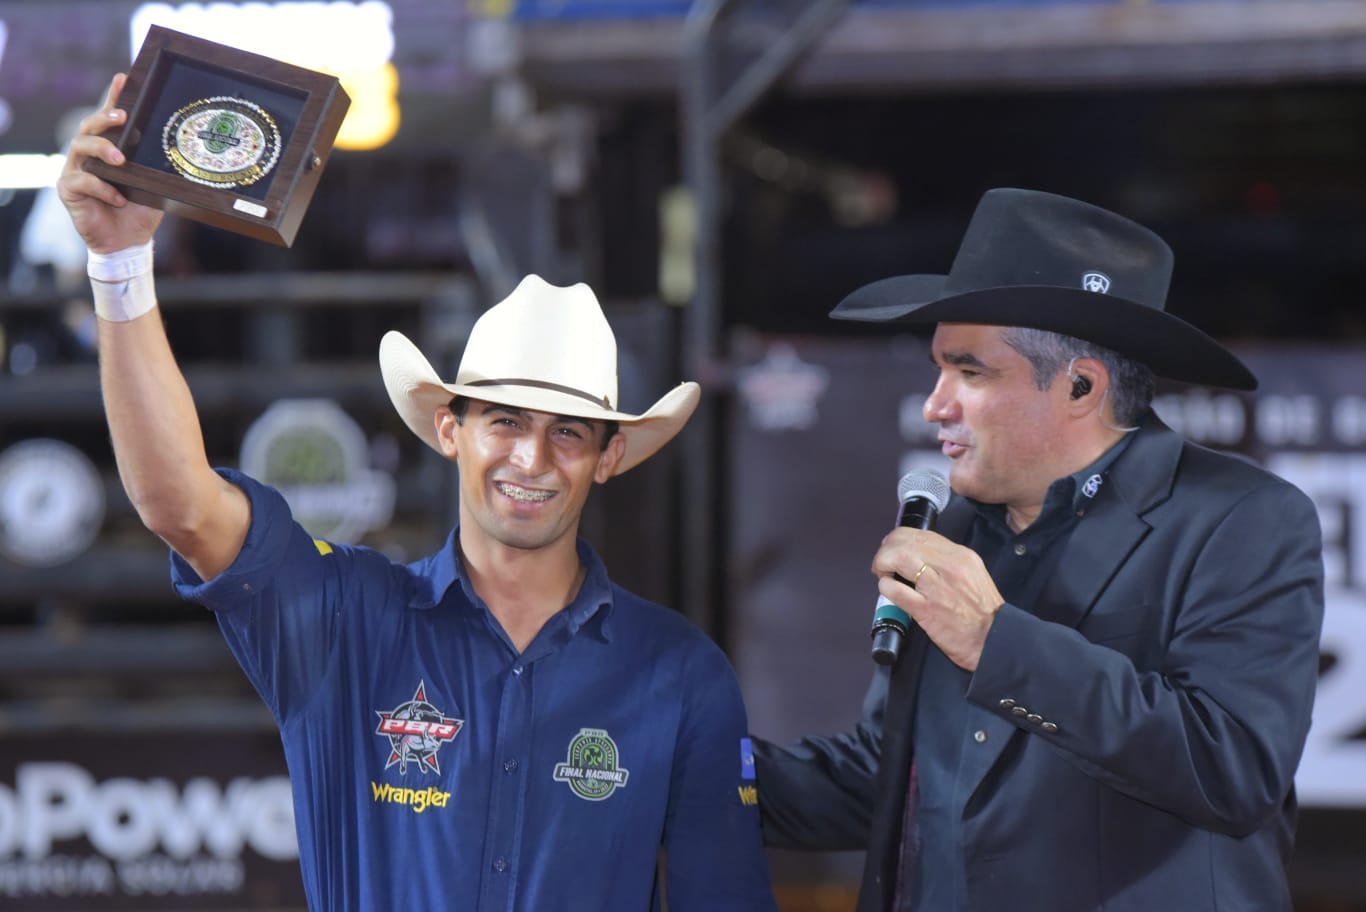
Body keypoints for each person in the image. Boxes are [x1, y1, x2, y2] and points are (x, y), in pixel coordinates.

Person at [59, 74, 776, 912]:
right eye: (503, 421)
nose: (531, 458)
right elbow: (179, 505)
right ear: (450, 431)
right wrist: (118, 262)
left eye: (569, 433)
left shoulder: (681, 676)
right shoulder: (346, 618)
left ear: (609, 458)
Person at [752, 187, 1325, 911]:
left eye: (969, 371)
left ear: (1082, 385)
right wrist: (687, 772)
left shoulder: (1243, 520)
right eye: (938, 370)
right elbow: (889, 778)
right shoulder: (957, 531)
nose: (936, 404)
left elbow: (1231, 769)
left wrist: (996, 643)